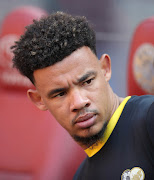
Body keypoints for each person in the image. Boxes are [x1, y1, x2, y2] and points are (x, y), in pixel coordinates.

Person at [11, 11, 154, 180]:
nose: (78, 102)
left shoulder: (149, 119)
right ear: (39, 100)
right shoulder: (81, 176)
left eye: (87, 82)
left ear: (105, 68)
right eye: (60, 94)